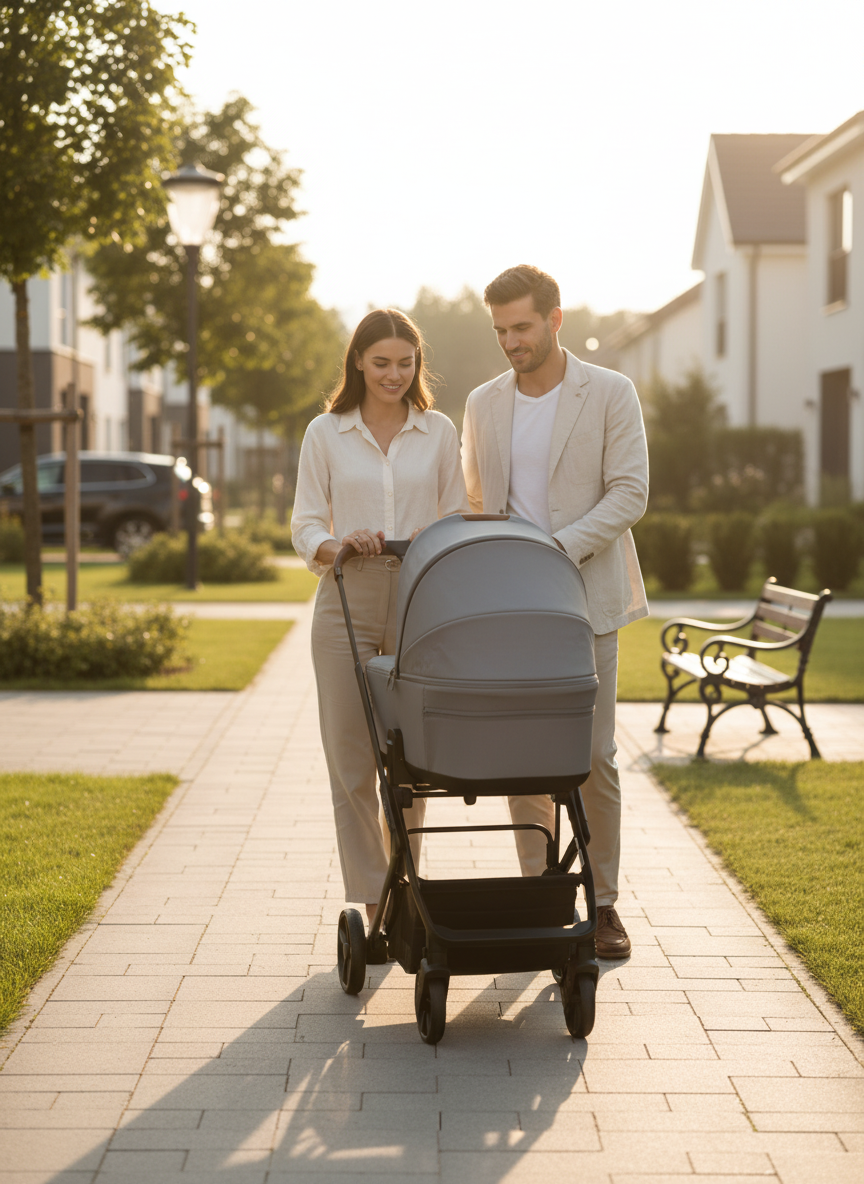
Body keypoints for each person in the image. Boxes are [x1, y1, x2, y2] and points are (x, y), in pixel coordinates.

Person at [461, 264, 649, 959]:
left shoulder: (609, 392)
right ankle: (542, 890)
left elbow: (630, 493)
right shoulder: (483, 403)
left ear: (555, 319)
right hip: (512, 605)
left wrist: (557, 549)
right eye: (501, 330)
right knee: (521, 757)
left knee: (592, 757)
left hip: (586, 602)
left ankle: (604, 904)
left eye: (522, 326)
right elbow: (478, 500)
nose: (511, 341)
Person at [291, 309, 469, 926]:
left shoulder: (440, 430)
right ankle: (372, 901)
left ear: (418, 364)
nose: (394, 374)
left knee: (410, 756)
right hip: (347, 597)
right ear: (359, 363)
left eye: (406, 362)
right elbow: (305, 524)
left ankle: (406, 892)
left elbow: (457, 512)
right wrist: (340, 544)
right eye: (381, 362)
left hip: (421, 598)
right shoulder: (326, 432)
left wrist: (431, 535)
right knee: (350, 758)